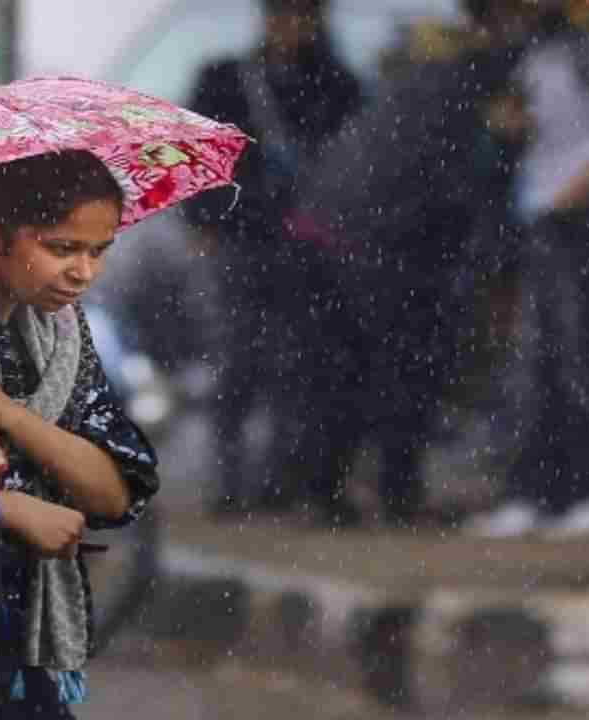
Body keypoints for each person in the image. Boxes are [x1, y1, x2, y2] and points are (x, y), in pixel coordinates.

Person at [0, 150, 160, 719]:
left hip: (22, 641)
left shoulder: (61, 338)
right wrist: (2, 511)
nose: (84, 273)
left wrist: (4, 410)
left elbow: (115, 491)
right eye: (61, 248)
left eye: (99, 251)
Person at [299, 0, 541, 528]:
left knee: (358, 369)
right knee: (402, 370)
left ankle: (330, 490)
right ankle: (392, 493)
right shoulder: (479, 80)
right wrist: (498, 147)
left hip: (355, 233)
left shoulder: (426, 73)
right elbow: (466, 172)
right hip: (396, 239)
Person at [465, 2, 589, 538]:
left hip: (587, 221)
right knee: (533, 365)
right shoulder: (526, 62)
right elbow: (509, 146)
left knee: (582, 357)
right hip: (538, 223)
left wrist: (583, 184)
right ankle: (533, 493)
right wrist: (506, 132)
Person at [185, 0, 363, 519]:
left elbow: (351, 163)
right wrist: (204, 222)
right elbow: (198, 156)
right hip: (240, 237)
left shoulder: (337, 85)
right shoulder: (226, 80)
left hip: (310, 241)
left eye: (303, 17)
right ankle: (231, 481)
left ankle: (280, 481)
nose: (293, 27)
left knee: (302, 365)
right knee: (239, 362)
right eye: (285, 15)